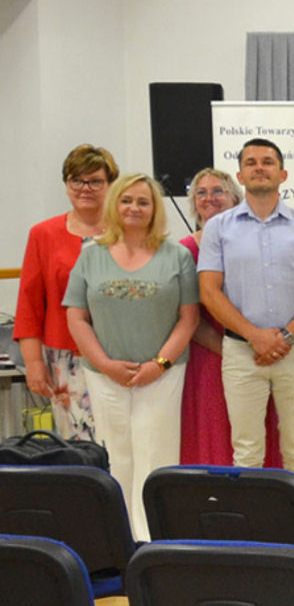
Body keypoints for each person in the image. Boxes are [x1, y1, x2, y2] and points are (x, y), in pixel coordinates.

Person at [63, 173, 197, 541]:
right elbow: (75, 315)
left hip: (163, 375)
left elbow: (189, 318)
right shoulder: (91, 255)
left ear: (155, 209)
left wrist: (160, 364)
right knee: (117, 458)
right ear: (114, 205)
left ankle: (155, 544)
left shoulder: (178, 256)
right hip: (105, 376)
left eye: (143, 201)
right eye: (126, 200)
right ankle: (120, 544)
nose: (134, 208)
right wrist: (105, 365)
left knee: (156, 458)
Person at [198, 138, 294, 487]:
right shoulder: (218, 228)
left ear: (283, 174)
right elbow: (209, 293)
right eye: (251, 162)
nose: (259, 167)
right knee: (246, 451)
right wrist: (255, 336)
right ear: (240, 174)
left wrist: (284, 338)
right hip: (241, 352)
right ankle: (251, 534)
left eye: (267, 162)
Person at [16, 144, 119, 442]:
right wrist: (34, 363)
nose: (85, 188)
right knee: (79, 443)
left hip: (121, 353)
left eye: (95, 181)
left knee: (121, 441)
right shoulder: (43, 234)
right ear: (66, 185)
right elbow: (29, 303)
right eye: (77, 180)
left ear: (110, 185)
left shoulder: (128, 231)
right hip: (66, 359)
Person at [180, 168, 283, 468]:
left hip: (259, 354)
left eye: (218, 191)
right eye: (201, 192)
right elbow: (190, 317)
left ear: (236, 199)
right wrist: (233, 350)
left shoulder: (260, 244)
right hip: (212, 359)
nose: (209, 198)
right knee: (217, 439)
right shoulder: (186, 251)